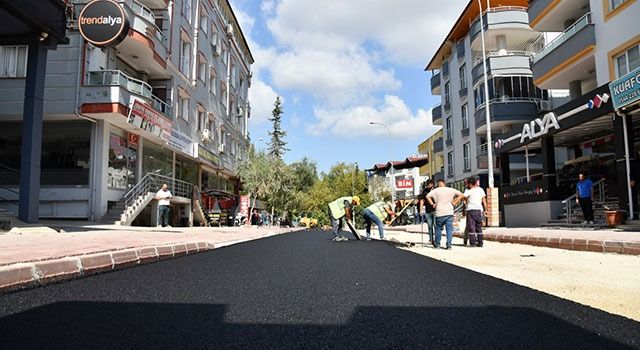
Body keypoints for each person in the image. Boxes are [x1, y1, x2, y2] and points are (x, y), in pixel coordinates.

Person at [426, 180, 465, 249]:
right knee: (449, 230)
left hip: (439, 212)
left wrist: (433, 204)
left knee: (438, 229)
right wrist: (455, 202)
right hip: (449, 212)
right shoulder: (451, 190)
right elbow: (461, 195)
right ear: (444, 183)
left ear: (438, 184)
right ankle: (449, 245)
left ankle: (437, 245)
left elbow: (427, 196)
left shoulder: (435, 190)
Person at [463, 177, 487, 247]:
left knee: (471, 227)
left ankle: (472, 243)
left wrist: (463, 210)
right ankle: (480, 243)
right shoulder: (481, 189)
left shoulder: (468, 190)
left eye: (467, 183)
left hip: (470, 210)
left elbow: (464, 201)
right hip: (479, 210)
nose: (466, 185)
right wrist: (486, 210)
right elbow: (484, 200)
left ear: (470, 184)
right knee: (479, 227)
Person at [419, 180, 436, 246]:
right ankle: (431, 239)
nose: (428, 186)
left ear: (432, 184)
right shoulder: (425, 191)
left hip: (435, 210)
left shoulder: (435, 190)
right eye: (427, 184)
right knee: (430, 225)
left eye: (429, 184)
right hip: (428, 210)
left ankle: (436, 239)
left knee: (435, 225)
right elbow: (422, 200)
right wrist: (420, 210)